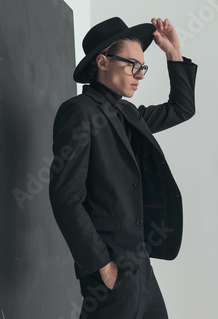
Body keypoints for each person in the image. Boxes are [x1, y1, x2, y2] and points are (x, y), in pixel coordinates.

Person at [49, 16, 198, 319]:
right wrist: (102, 265)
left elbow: (182, 109)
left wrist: (173, 53)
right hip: (110, 268)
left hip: (141, 264)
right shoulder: (79, 112)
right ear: (102, 62)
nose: (140, 75)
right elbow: (66, 196)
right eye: (132, 65)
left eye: (142, 67)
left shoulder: (127, 113)